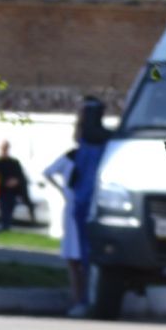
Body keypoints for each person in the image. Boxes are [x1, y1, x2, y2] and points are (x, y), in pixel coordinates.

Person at [42, 97, 110, 317]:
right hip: (83, 206)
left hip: (82, 205)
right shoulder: (94, 149)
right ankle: (81, 298)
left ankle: (83, 299)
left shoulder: (89, 150)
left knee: (81, 258)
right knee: (78, 258)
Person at [0, 142, 33, 232]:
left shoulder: (14, 162)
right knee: (3, 206)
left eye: (6, 148)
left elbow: (20, 175)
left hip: (12, 191)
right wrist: (4, 182)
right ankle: (3, 225)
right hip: (1, 190)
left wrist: (15, 181)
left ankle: (6, 226)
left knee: (9, 207)